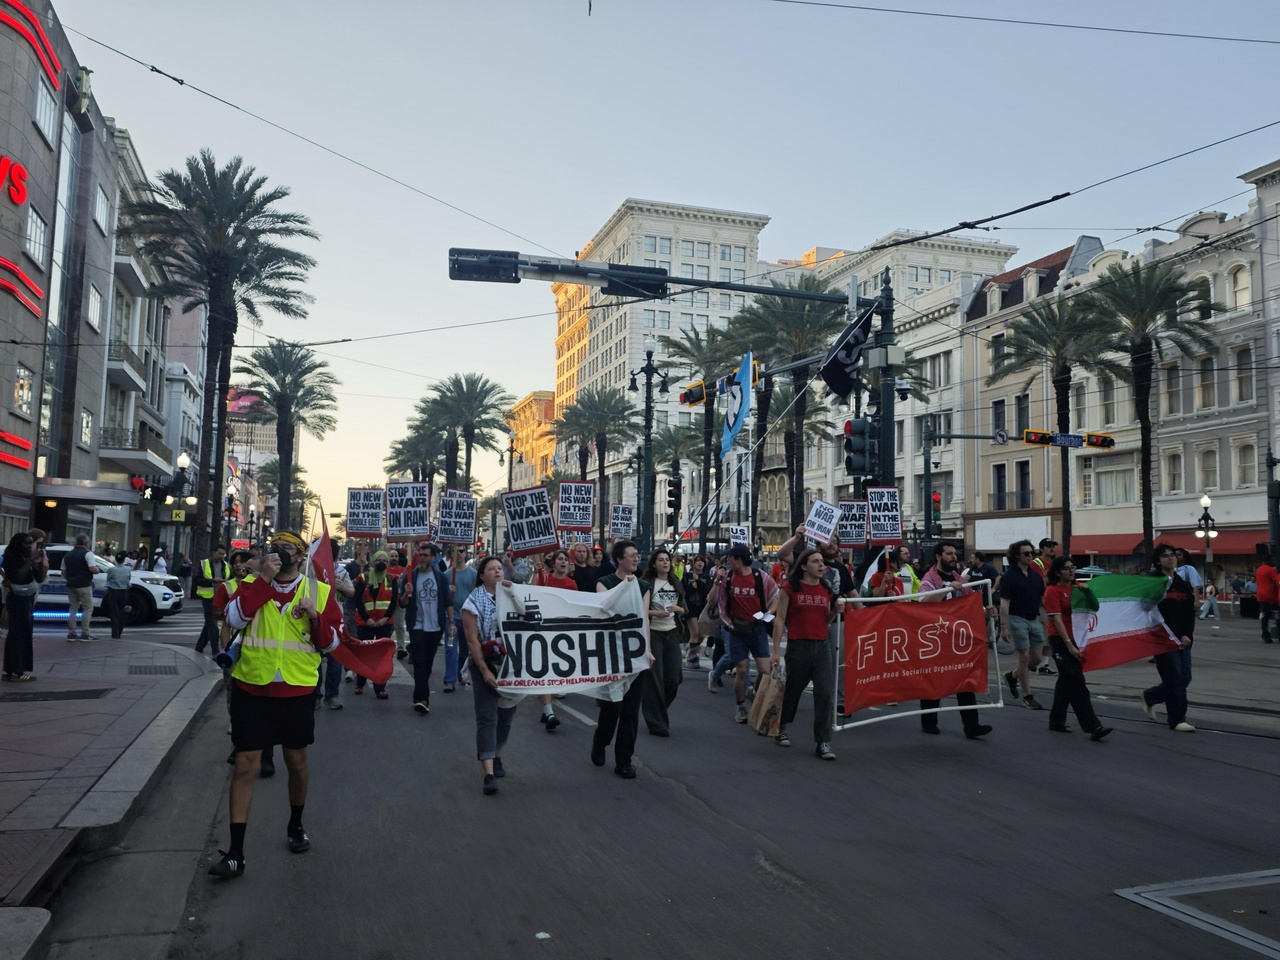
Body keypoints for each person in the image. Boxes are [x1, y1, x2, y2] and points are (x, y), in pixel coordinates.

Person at [209, 531, 343, 878]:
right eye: (275, 548)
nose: (279, 553)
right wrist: (264, 580)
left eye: (288, 549)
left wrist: (315, 617)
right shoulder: (254, 582)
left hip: (296, 690)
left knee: (296, 762)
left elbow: (331, 644)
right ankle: (236, 852)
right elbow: (234, 619)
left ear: (301, 557)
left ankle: (296, 825)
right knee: (244, 765)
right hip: (252, 686)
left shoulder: (319, 592)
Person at [918, 541, 993, 739]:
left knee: (965, 681)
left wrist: (986, 613)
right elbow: (923, 602)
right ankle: (929, 721)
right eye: (949, 553)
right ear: (938, 556)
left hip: (957, 640)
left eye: (954, 553)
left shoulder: (960, 580)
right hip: (935, 639)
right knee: (933, 679)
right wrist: (947, 589)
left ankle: (972, 725)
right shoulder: (929, 579)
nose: (953, 557)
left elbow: (970, 608)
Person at [770, 548, 838, 759]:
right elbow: (780, 620)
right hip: (798, 646)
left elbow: (825, 620)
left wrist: (836, 611)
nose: (821, 566)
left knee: (825, 693)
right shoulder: (790, 588)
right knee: (793, 691)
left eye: (821, 562)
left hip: (822, 646)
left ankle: (823, 741)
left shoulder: (826, 589)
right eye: (816, 562)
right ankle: (781, 727)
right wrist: (775, 652)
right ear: (803, 566)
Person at [592, 541, 650, 779]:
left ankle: (624, 760)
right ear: (619, 560)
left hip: (634, 654)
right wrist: (624, 588)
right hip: (611, 653)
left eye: (637, 556)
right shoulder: (604, 583)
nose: (636, 560)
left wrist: (647, 649)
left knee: (630, 710)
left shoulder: (644, 585)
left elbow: (643, 618)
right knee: (612, 705)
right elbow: (606, 607)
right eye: (632, 556)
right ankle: (600, 740)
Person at [462, 556, 517, 795]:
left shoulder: (515, 595)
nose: (497, 572)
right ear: (482, 575)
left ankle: (496, 756)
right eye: (491, 569)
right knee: (487, 717)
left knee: (505, 718)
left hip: (512, 665)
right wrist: (484, 669)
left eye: (500, 568)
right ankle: (488, 773)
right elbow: (473, 641)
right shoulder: (472, 602)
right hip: (485, 662)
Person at [705, 544, 778, 723]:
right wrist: (717, 581)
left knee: (764, 670)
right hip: (735, 629)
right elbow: (712, 600)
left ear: (738, 559)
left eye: (730, 558)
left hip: (757, 629)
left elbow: (776, 597)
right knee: (742, 670)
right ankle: (740, 706)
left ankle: (752, 689)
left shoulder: (760, 576)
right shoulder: (727, 577)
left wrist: (768, 614)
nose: (727, 561)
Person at [1042, 556, 1112, 740]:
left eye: (1073, 567)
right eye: (1067, 568)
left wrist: (1088, 592)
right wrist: (1068, 645)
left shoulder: (1077, 588)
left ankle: (1056, 721)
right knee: (1076, 682)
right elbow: (1056, 620)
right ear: (1058, 572)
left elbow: (1094, 607)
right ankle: (1092, 726)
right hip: (1060, 640)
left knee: (1066, 682)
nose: (1071, 571)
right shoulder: (1052, 591)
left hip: (1076, 638)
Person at [1139, 543, 1197, 732]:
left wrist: (1187, 634)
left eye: (1172, 555)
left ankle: (1151, 696)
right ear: (1158, 561)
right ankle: (1177, 719)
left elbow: (1189, 612)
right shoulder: (1153, 581)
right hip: (1162, 637)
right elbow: (1144, 606)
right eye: (1165, 556)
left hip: (1182, 637)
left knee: (1185, 677)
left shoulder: (1182, 583)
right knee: (1174, 678)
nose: (1170, 558)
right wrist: (1157, 594)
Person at [402, 542, 453, 715]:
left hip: (436, 627)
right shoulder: (410, 576)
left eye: (425, 555)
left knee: (427, 663)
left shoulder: (440, 577)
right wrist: (405, 593)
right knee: (419, 661)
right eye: (420, 554)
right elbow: (402, 604)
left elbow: (447, 602)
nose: (421, 557)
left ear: (433, 557)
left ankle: (418, 696)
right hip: (416, 626)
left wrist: (451, 622)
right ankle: (424, 699)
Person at [640, 547, 684, 738]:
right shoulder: (648, 584)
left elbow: (684, 609)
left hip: (672, 632)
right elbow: (641, 610)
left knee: (674, 678)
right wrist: (655, 613)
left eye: (667, 559)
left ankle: (656, 709)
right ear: (654, 564)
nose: (665, 562)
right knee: (655, 678)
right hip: (655, 633)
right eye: (661, 560)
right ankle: (657, 723)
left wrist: (678, 609)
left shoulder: (675, 582)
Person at [999, 539, 1048, 710]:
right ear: (1016, 556)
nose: (1030, 556)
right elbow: (1004, 602)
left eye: (1031, 553)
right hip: (1016, 618)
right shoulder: (1009, 576)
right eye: (1026, 553)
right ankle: (1027, 695)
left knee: (1037, 659)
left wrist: (1054, 613)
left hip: (1033, 619)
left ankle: (1012, 677)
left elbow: (1042, 599)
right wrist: (1003, 626)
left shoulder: (1035, 576)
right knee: (1024, 658)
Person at [536, 550, 577, 729]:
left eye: (565, 560)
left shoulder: (572, 584)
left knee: (556, 671)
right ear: (553, 564)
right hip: (545, 630)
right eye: (560, 559)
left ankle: (546, 712)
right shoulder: (544, 579)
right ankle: (549, 711)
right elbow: (531, 595)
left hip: (563, 632)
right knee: (547, 672)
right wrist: (535, 574)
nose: (563, 562)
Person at [353, 551, 397, 698]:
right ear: (373, 560)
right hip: (366, 622)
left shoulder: (392, 579)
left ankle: (380, 687)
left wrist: (385, 618)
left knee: (382, 657)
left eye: (385, 560)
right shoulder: (363, 578)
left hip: (384, 623)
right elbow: (358, 601)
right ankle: (360, 683)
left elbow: (393, 602)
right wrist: (367, 619)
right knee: (364, 654)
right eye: (379, 559)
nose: (382, 562)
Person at [2, 532, 45, 681]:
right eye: (26, 543)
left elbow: (39, 578)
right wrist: (30, 561)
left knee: (24, 633)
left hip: (27, 599)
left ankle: (12, 670)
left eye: (30, 543)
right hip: (17, 599)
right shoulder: (10, 558)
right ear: (18, 544)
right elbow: (17, 577)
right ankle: (16, 671)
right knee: (17, 634)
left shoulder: (26, 558)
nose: (29, 546)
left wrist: (39, 562)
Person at [446, 547, 477, 691]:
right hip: (452, 619)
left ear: (465, 553)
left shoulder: (473, 574)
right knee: (451, 649)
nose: (458, 553)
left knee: (466, 649)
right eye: (455, 550)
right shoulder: (446, 575)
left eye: (461, 550)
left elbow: (477, 594)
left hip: (468, 619)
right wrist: (448, 591)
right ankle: (449, 681)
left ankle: (462, 675)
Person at [61, 533, 102, 641]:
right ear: (86, 543)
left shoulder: (67, 555)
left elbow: (63, 572)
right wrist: (98, 569)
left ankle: (72, 633)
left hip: (71, 585)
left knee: (73, 608)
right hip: (84, 584)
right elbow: (92, 569)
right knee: (87, 608)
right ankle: (85, 633)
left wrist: (70, 579)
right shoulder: (88, 554)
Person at [194, 545, 230, 656]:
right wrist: (212, 581)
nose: (221, 556)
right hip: (208, 597)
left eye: (223, 554)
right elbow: (197, 579)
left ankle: (199, 647)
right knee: (212, 624)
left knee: (209, 624)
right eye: (219, 553)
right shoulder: (204, 563)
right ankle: (215, 651)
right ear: (213, 552)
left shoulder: (225, 565)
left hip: (220, 599)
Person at [682, 553, 712, 667]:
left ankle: (691, 648)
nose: (700, 563)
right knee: (694, 633)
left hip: (702, 608)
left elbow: (706, 591)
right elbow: (683, 593)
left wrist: (698, 582)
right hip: (690, 607)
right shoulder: (686, 577)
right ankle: (692, 660)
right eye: (697, 561)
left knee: (701, 635)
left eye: (702, 561)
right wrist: (691, 587)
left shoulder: (706, 577)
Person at [968, 551, 1001, 647]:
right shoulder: (973, 568)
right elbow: (965, 578)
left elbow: (998, 577)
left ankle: (987, 638)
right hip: (977, 597)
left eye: (973, 558)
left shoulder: (988, 567)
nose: (971, 560)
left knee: (990, 616)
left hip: (988, 596)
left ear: (978, 559)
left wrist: (994, 588)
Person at [387, 548, 409, 660]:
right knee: (387, 627)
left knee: (399, 625)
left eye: (396, 556)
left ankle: (400, 648)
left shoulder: (402, 570)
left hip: (399, 603)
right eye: (392, 556)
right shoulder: (384, 570)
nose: (394, 558)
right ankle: (385, 646)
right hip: (386, 603)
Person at [106, 553, 132, 639]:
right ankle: (120, 631)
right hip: (124, 592)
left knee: (114, 614)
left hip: (113, 591)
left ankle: (115, 633)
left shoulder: (111, 569)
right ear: (124, 560)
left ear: (115, 560)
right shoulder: (128, 569)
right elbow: (128, 580)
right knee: (122, 612)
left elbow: (108, 580)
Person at [1255, 555, 1278, 644]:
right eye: (1272, 560)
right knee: (1277, 614)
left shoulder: (1259, 569)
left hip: (1261, 595)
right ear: (1268, 561)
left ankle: (1265, 634)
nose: (1273, 562)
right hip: (1271, 595)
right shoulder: (1271, 570)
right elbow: (1277, 581)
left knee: (1265, 616)